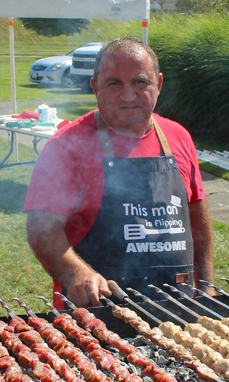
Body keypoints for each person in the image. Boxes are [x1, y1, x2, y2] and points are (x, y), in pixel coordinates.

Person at [24, 36, 214, 309]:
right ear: (95, 87)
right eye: (114, 84)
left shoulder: (178, 137)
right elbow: (41, 230)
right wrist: (76, 273)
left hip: (177, 306)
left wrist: (205, 284)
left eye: (140, 82)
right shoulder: (66, 146)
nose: (128, 95)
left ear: (158, 84)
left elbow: (197, 215)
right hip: (97, 309)